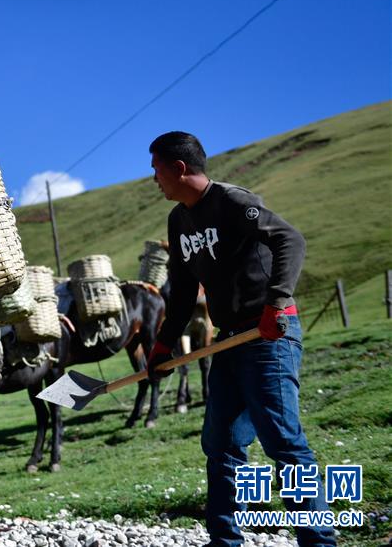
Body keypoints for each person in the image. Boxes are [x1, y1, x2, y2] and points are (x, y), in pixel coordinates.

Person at [146, 132, 335, 547]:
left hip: (269, 335)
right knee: (222, 444)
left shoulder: (232, 202)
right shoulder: (179, 221)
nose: (154, 178)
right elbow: (181, 291)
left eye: (157, 168)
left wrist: (276, 301)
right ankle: (225, 540)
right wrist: (163, 344)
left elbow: (290, 239)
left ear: (179, 168)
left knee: (282, 441)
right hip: (228, 342)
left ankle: (319, 541)